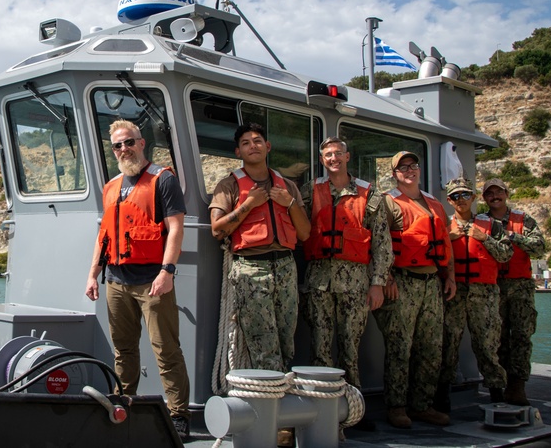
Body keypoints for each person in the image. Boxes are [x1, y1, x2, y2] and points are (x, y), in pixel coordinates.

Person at [85, 120, 191, 439]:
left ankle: (179, 415)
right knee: (124, 349)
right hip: (116, 281)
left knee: (166, 349)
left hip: (152, 280)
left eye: (128, 142)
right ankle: (123, 404)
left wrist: (167, 271)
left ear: (141, 143)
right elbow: (104, 235)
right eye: (117, 145)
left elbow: (175, 228)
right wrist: (93, 274)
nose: (123, 149)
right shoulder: (111, 186)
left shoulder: (163, 180)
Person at [209, 123, 311, 373]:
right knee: (262, 343)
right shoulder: (228, 186)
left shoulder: (287, 187)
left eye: (257, 141)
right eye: (245, 143)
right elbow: (217, 230)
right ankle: (270, 401)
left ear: (268, 146)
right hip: (251, 268)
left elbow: (305, 233)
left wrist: (289, 204)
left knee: (286, 341)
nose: (252, 146)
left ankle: (279, 392)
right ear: (237, 152)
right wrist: (249, 204)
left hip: (286, 267)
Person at [300, 137, 392, 407]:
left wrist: (378, 284)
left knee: (351, 349)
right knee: (320, 348)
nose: (333, 159)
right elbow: (293, 218)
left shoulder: (369, 194)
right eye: (328, 155)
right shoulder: (310, 190)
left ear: (347, 157)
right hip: (318, 282)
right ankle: (323, 409)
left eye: (338, 153)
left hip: (355, 284)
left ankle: (352, 408)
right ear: (321, 160)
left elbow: (382, 243)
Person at [379, 151, 456, 429]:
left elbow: (445, 243)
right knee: (400, 346)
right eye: (402, 168)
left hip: (432, 282)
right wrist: (385, 278)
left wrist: (450, 277)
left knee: (431, 346)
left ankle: (423, 405)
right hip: (402, 281)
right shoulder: (388, 202)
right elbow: (380, 243)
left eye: (413, 166)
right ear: (394, 174)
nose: (409, 171)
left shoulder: (435, 204)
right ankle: (397, 407)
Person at [436, 177, 512, 411]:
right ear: (449, 200)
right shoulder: (443, 226)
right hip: (454, 293)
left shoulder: (491, 225)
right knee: (448, 344)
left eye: (465, 195)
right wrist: (449, 239)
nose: (461, 200)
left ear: (474, 197)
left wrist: (485, 238)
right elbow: (431, 253)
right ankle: (442, 396)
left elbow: (505, 255)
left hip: (484, 293)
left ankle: (497, 395)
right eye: (456, 196)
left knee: (487, 346)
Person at [484, 178, 546, 407]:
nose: (494, 197)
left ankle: (517, 386)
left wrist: (513, 237)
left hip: (520, 287)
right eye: (489, 194)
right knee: (495, 338)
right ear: (484, 198)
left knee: (521, 335)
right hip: (493, 287)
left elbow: (540, 247)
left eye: (498, 192)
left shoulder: (523, 220)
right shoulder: (482, 222)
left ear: (506, 194)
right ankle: (497, 386)